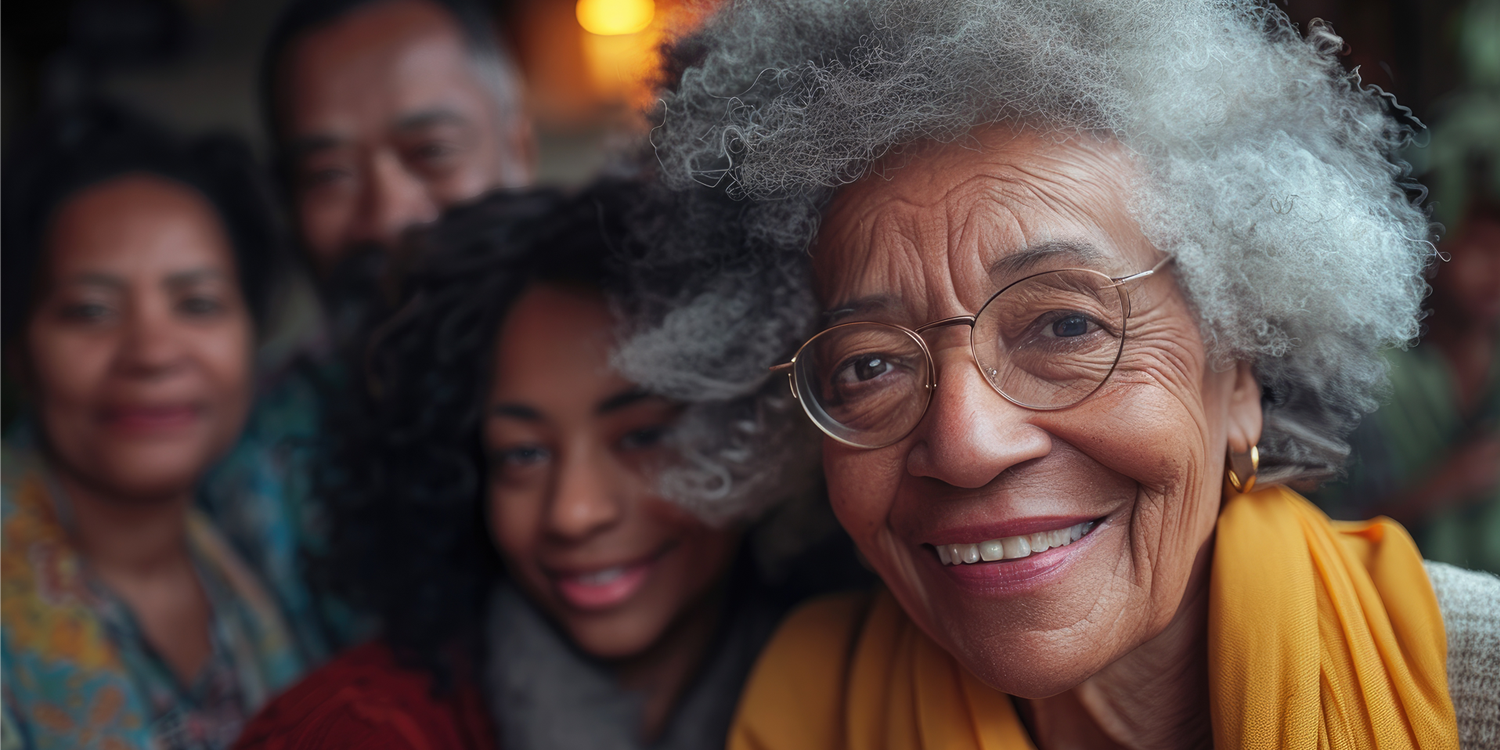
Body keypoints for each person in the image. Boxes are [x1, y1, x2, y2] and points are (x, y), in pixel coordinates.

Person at [626, 0, 1500, 747]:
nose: (966, 442)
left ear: (1238, 374)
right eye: (872, 363)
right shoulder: (799, 715)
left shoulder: (1477, 684)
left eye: (1065, 323)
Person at [232, 184, 812, 750]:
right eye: (523, 454)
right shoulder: (348, 732)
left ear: (759, 431)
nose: (574, 513)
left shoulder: (859, 696)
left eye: (643, 437)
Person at [196, 0, 537, 655]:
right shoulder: (243, 468)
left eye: (431, 152)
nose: (385, 216)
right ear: (286, 204)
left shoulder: (646, 371)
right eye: (330, 175)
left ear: (518, 149)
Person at [0, 103, 308, 749]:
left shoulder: (253, 575)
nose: (152, 351)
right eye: (90, 311)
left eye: (197, 304)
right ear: (18, 352)